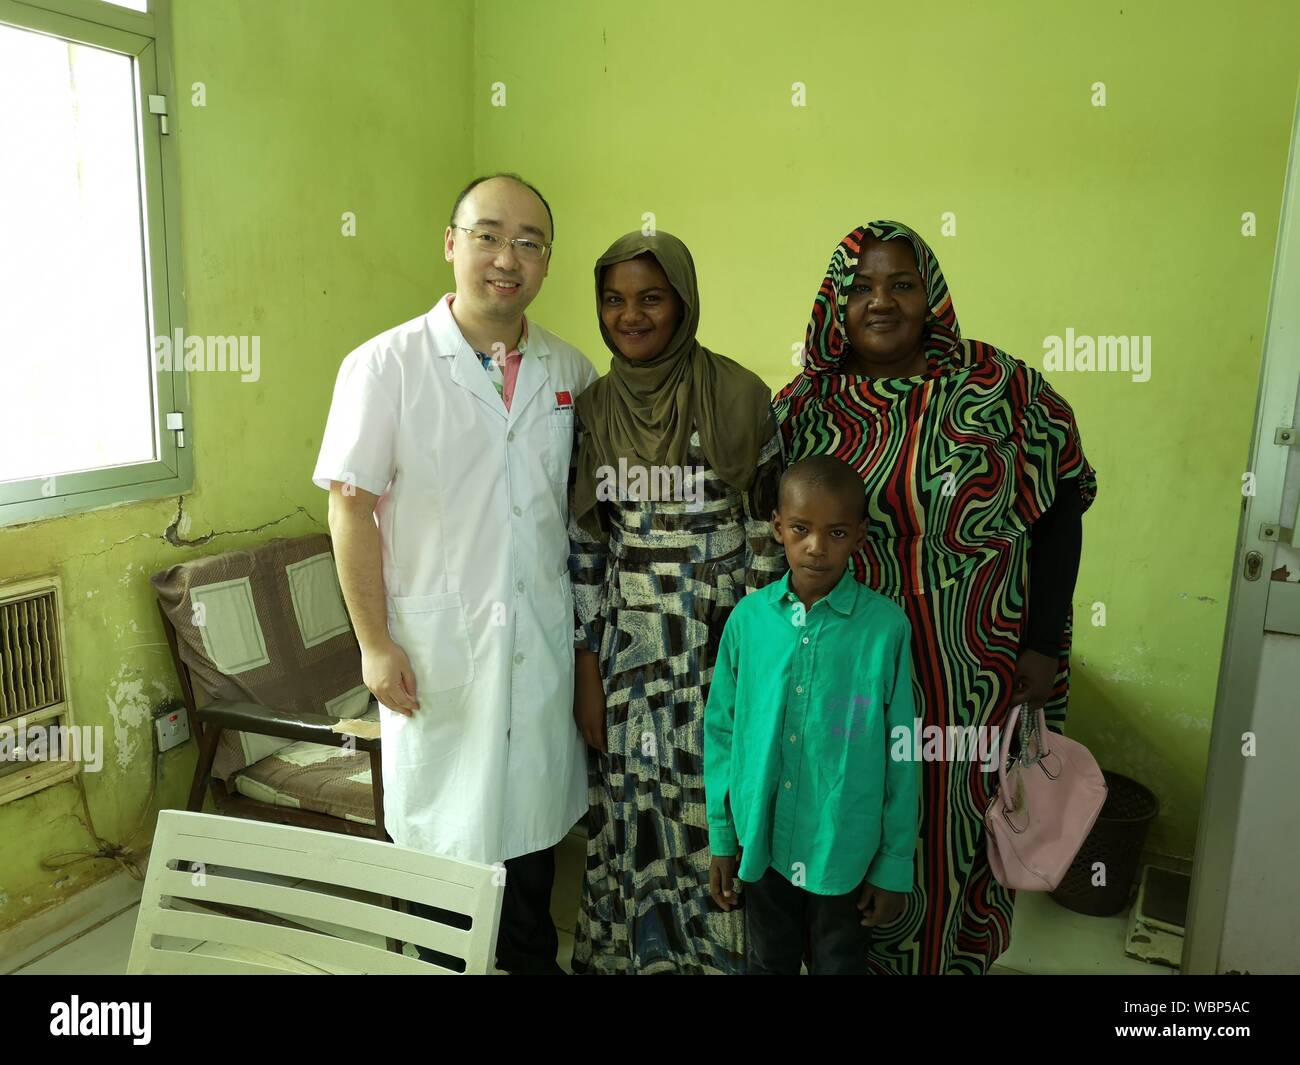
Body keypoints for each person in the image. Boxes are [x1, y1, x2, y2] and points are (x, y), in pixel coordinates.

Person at [774, 220, 1096, 974]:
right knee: (856, 811)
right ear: (834, 302)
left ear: (933, 296)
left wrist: (1042, 642)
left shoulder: (999, 387)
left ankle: (957, 959)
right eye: (860, 286)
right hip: (851, 669)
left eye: (902, 283)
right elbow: (778, 540)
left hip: (972, 670)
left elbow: (1062, 510)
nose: (880, 301)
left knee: (958, 822)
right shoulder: (804, 406)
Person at [313, 173, 598, 974]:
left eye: (529, 241)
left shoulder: (570, 372)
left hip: (536, 656)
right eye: (488, 235)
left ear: (547, 263)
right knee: (446, 886)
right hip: (437, 657)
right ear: (451, 245)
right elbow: (350, 509)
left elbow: (576, 528)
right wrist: (373, 643)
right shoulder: (384, 366)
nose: (507, 256)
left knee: (532, 883)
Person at [567, 230, 787, 974]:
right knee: (634, 818)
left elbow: (770, 532)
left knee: (715, 809)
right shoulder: (595, 407)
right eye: (614, 299)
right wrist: (588, 666)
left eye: (651, 297)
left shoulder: (739, 394)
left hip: (719, 642)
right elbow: (588, 547)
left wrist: (753, 655)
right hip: (630, 654)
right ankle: (642, 957)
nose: (631, 315)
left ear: (683, 302)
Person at [705, 455, 919, 975]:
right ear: (778, 527)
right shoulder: (749, 621)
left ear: (861, 536)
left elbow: (902, 752)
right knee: (767, 962)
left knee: (839, 965)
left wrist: (894, 864)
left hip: (842, 848)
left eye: (837, 532)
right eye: (800, 529)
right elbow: (723, 731)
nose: (817, 547)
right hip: (763, 843)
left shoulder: (885, 630)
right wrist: (722, 837)